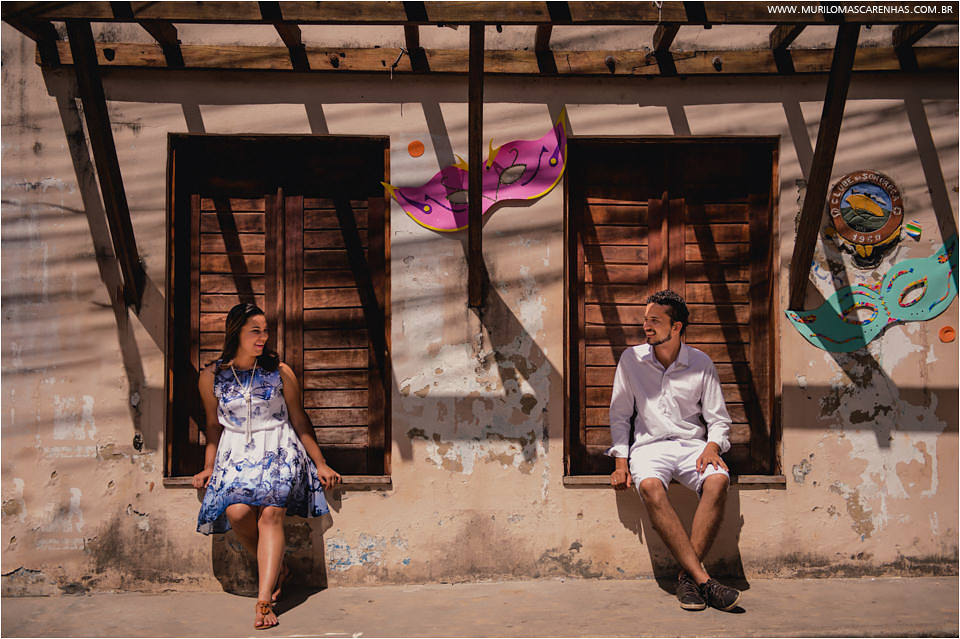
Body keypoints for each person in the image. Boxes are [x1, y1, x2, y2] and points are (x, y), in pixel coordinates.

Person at [193, 303, 341, 630]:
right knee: (237, 513)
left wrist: (320, 462)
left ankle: (263, 601)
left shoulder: (279, 371)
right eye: (255, 331)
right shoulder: (211, 376)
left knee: (271, 513)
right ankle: (279, 567)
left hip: (278, 446)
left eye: (265, 330)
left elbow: (300, 419)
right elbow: (212, 425)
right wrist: (208, 466)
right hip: (236, 452)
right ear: (236, 333)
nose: (264, 337)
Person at [607, 289, 742, 612]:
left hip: (692, 446)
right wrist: (620, 463)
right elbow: (620, 414)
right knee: (651, 487)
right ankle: (704, 581)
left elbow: (718, 418)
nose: (646, 326)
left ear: (677, 327)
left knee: (718, 481)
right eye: (645, 320)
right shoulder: (631, 359)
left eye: (655, 320)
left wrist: (712, 446)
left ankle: (687, 578)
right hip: (649, 447)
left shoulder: (700, 363)